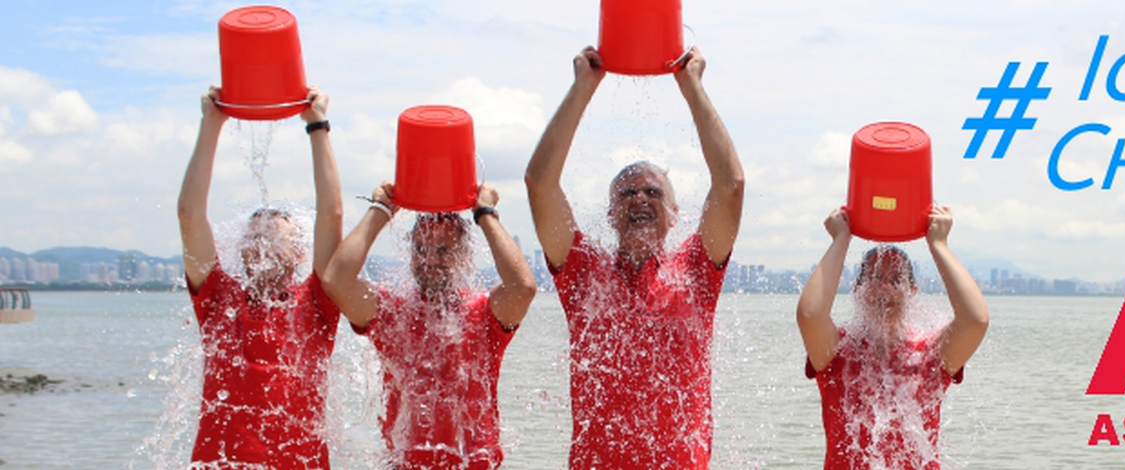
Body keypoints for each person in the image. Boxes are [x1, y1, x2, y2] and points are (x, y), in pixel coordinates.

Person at [524, 46, 745, 469]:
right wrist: (583, 88)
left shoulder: (697, 270)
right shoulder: (584, 274)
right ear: (610, 214)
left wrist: (692, 88)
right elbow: (540, 183)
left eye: (653, 192)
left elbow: (730, 185)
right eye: (627, 193)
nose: (639, 198)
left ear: (675, 213)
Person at [177, 86, 343, 469]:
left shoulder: (318, 302)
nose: (261, 241)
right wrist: (211, 124)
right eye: (254, 235)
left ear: (300, 253)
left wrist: (318, 125)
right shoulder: (218, 297)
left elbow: (332, 216)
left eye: (274, 235)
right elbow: (189, 216)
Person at [321, 183, 537, 470]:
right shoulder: (392, 314)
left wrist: (485, 213)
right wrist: (381, 210)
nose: (431, 259)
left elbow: (522, 288)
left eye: (444, 250)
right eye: (421, 249)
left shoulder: (484, 312)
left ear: (464, 255)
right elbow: (336, 281)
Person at [796, 205, 990, 470]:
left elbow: (975, 320)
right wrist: (841, 239)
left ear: (911, 292)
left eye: (896, 279)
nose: (884, 288)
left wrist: (939, 245)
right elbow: (810, 315)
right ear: (858, 289)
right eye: (875, 278)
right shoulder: (838, 351)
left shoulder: (930, 354)